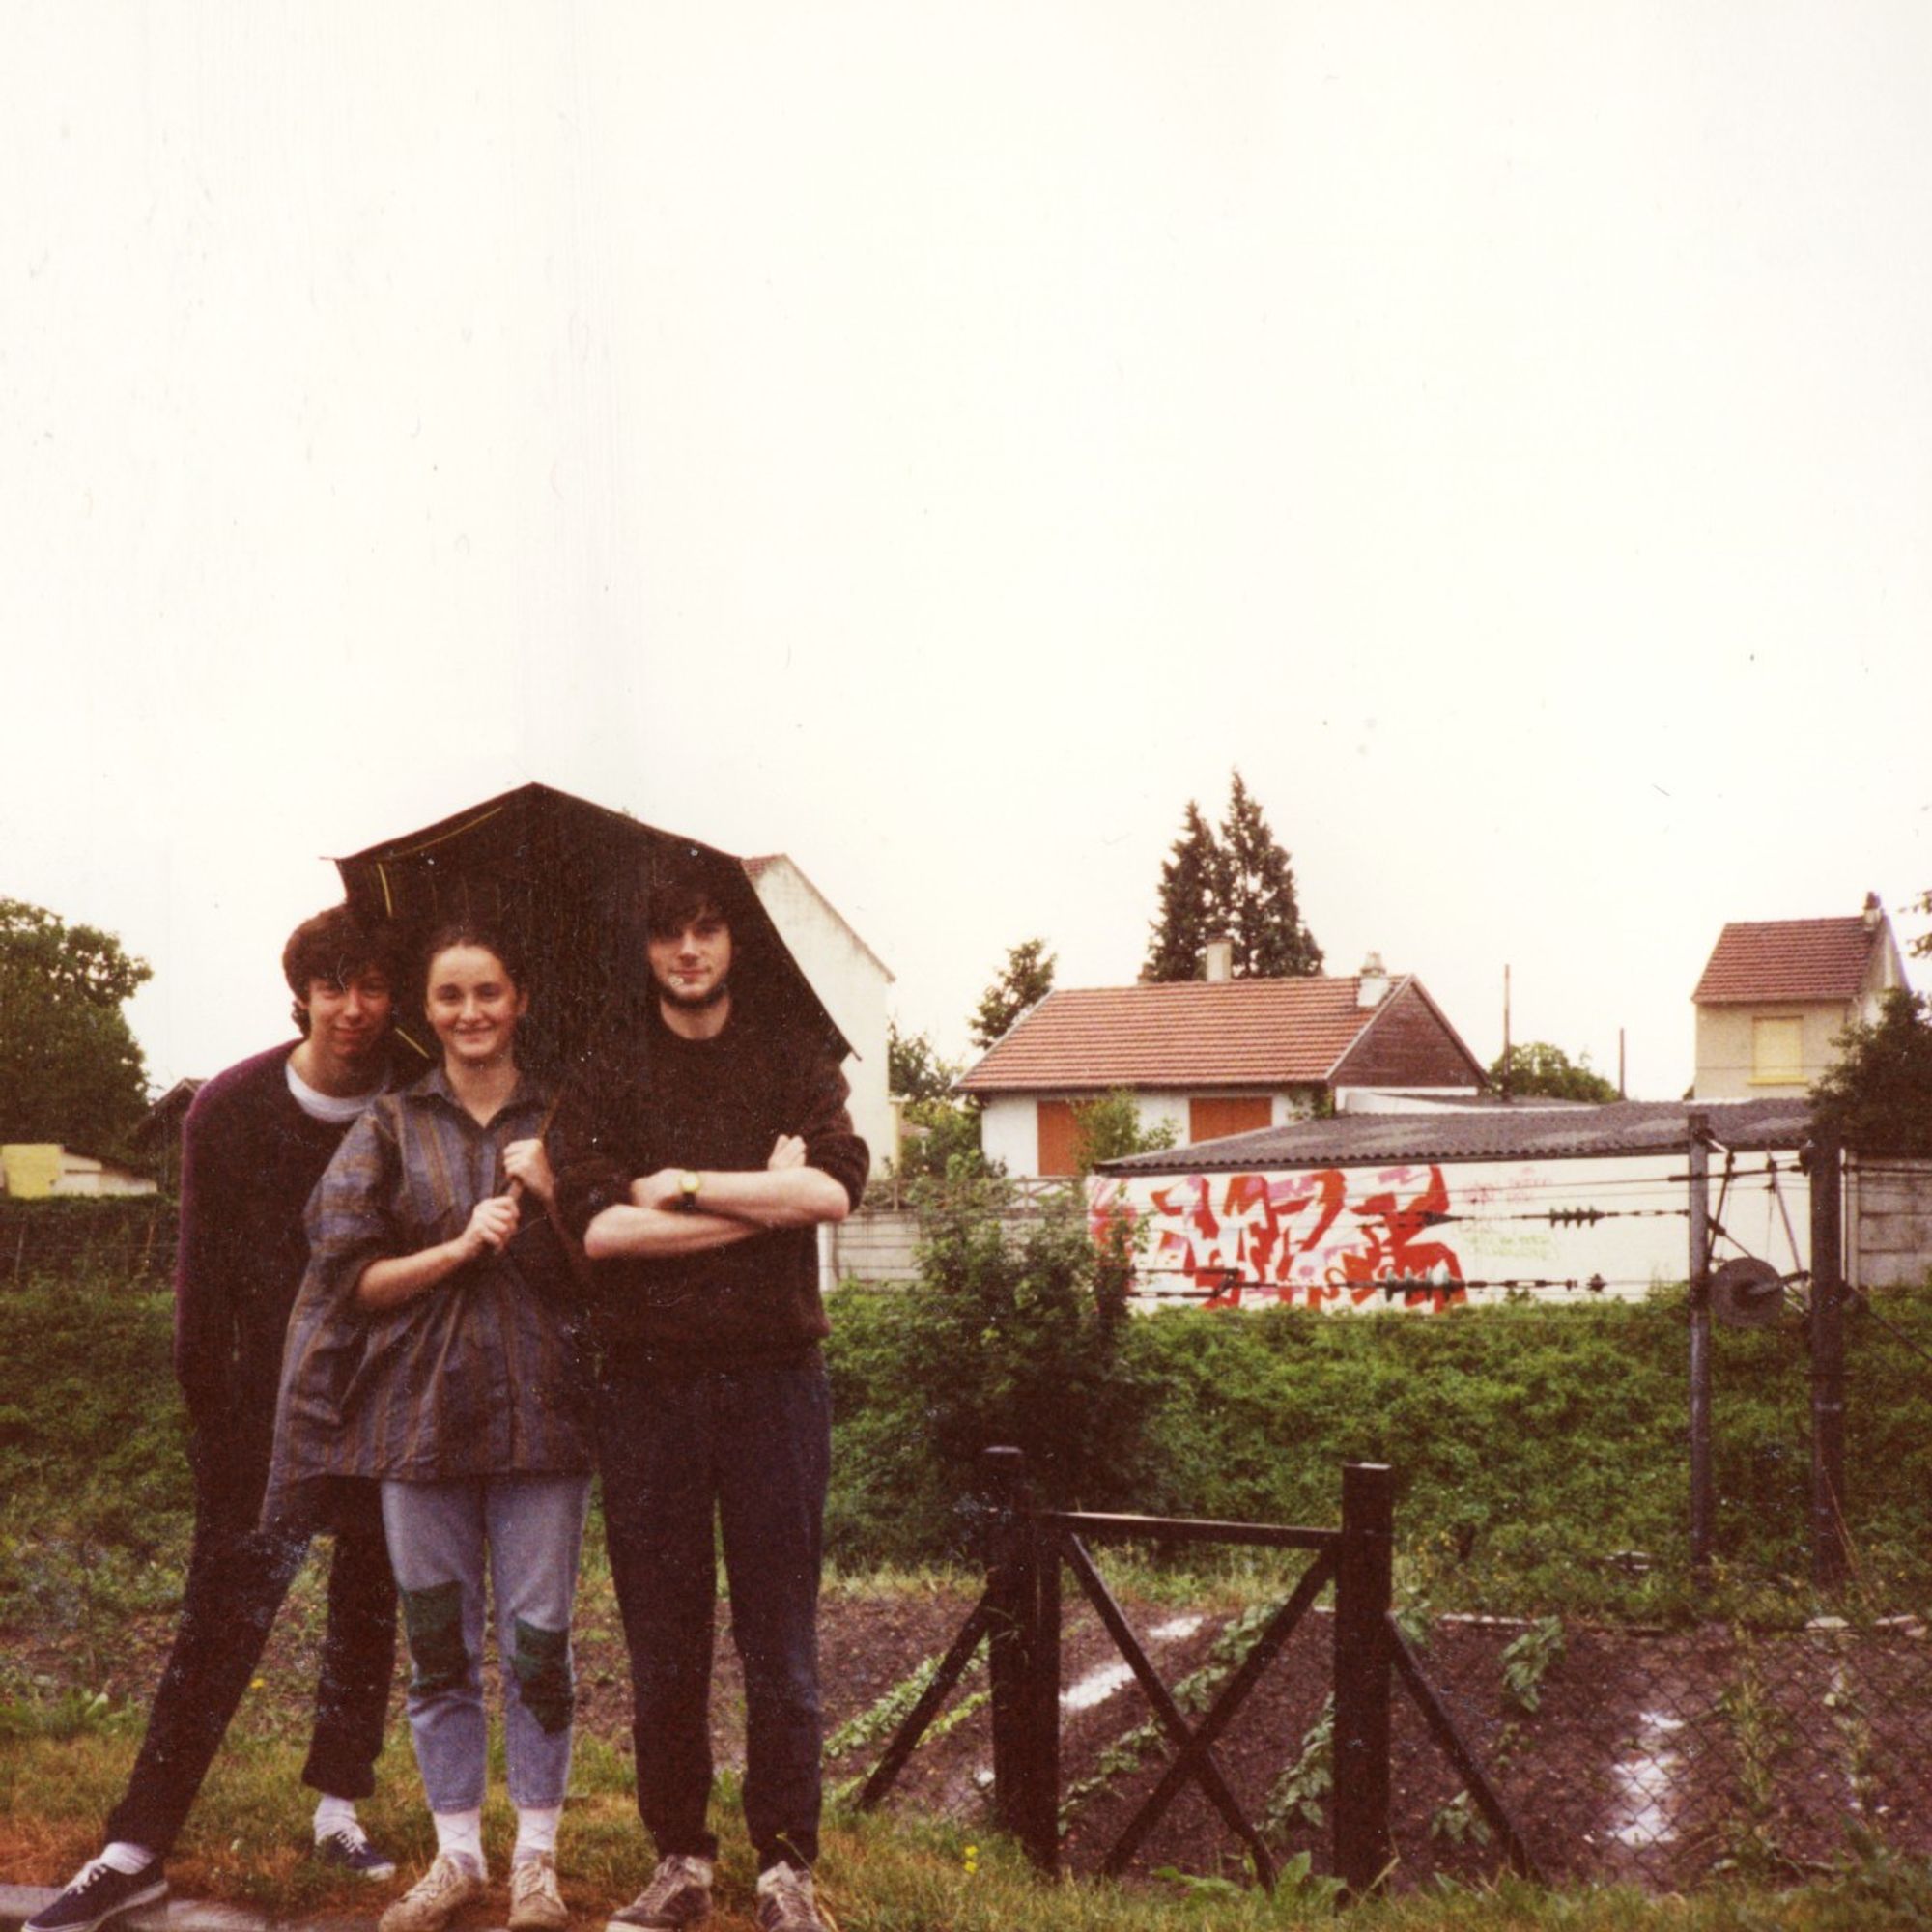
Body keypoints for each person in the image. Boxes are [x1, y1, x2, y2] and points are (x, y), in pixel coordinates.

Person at [27, 907, 408, 1932]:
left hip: (381, 1400)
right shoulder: (232, 1108)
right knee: (218, 1623)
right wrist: (221, 1427)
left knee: (368, 1605)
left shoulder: (415, 1104)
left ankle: (339, 1805)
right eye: (334, 986)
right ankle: (136, 1841)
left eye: (373, 985)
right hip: (260, 1414)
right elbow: (202, 1296)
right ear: (303, 994)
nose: (355, 1007)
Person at [554, 856, 868, 1932]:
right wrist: (758, 1198)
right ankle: (679, 1859)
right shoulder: (602, 1067)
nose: (687, 950)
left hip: (776, 1384)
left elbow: (830, 1186)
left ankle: (787, 1869)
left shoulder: (791, 1054)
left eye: (704, 930)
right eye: (666, 935)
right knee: (664, 1638)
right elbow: (597, 1229)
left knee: (779, 1634)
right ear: (643, 950)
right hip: (644, 1393)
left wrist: (680, 1184)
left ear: (733, 940)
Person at [265, 922, 592, 1932]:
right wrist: (456, 1248)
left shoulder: (570, 1119)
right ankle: (457, 1854)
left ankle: (535, 1860)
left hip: (545, 1420)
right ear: (428, 1008)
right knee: (437, 1647)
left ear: (519, 997)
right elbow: (349, 1278)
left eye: (487, 991)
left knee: (539, 1645)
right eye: (449, 995)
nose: (470, 1013)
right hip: (418, 1425)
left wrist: (553, 1193)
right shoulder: (391, 1124)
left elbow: (614, 1262)